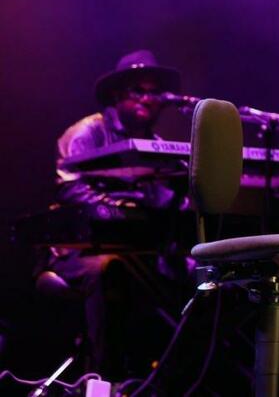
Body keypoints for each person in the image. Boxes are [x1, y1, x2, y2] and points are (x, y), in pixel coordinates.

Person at [42, 49, 187, 379]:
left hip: (138, 250)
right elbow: (71, 189)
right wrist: (124, 212)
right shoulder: (86, 133)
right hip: (81, 248)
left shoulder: (158, 145)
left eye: (154, 92)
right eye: (138, 90)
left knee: (194, 274)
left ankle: (166, 378)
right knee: (111, 269)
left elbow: (166, 201)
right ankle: (103, 379)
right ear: (117, 95)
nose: (148, 99)